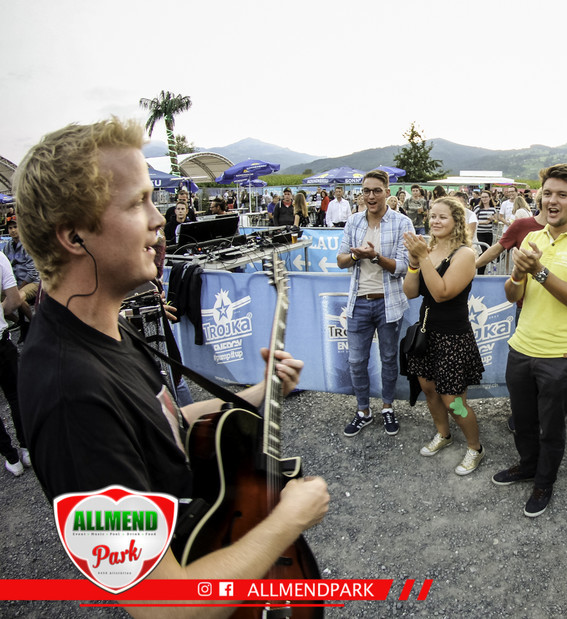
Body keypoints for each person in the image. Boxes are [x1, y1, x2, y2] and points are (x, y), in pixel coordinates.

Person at [14, 118, 329, 612]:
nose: (159, 219)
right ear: (74, 236)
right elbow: (163, 605)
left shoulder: (106, 326)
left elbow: (158, 424)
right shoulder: (69, 394)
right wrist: (286, 521)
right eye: (137, 202)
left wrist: (257, 392)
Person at [491, 164, 567, 518]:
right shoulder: (535, 238)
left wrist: (539, 271)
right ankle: (528, 466)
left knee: (551, 428)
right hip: (521, 347)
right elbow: (513, 295)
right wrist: (517, 273)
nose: (552, 201)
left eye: (562, 194)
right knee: (522, 421)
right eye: (547, 194)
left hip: (560, 355)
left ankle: (544, 481)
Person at [402, 198, 485, 475]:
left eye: (443, 217)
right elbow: (410, 292)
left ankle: (475, 447)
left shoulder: (465, 254)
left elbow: (441, 293)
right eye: (433, 216)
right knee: (429, 390)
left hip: (453, 339)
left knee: (454, 402)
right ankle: (443, 434)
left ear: (457, 221)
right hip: (426, 334)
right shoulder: (429, 249)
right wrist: (414, 262)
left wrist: (423, 258)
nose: (435, 221)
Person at [336, 170, 415, 437]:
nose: (371, 196)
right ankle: (363, 411)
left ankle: (387, 407)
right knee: (356, 361)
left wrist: (375, 256)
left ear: (387, 192)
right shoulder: (353, 221)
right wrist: (356, 256)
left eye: (376, 191)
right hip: (358, 302)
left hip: (388, 303)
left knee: (389, 359)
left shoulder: (402, 223)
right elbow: (341, 260)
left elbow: (403, 267)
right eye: (366, 191)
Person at [0, 252, 28, 477]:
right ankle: (27, 449)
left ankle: (12, 458)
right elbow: (14, 300)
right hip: (1, 342)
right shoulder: (0, 257)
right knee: (16, 396)